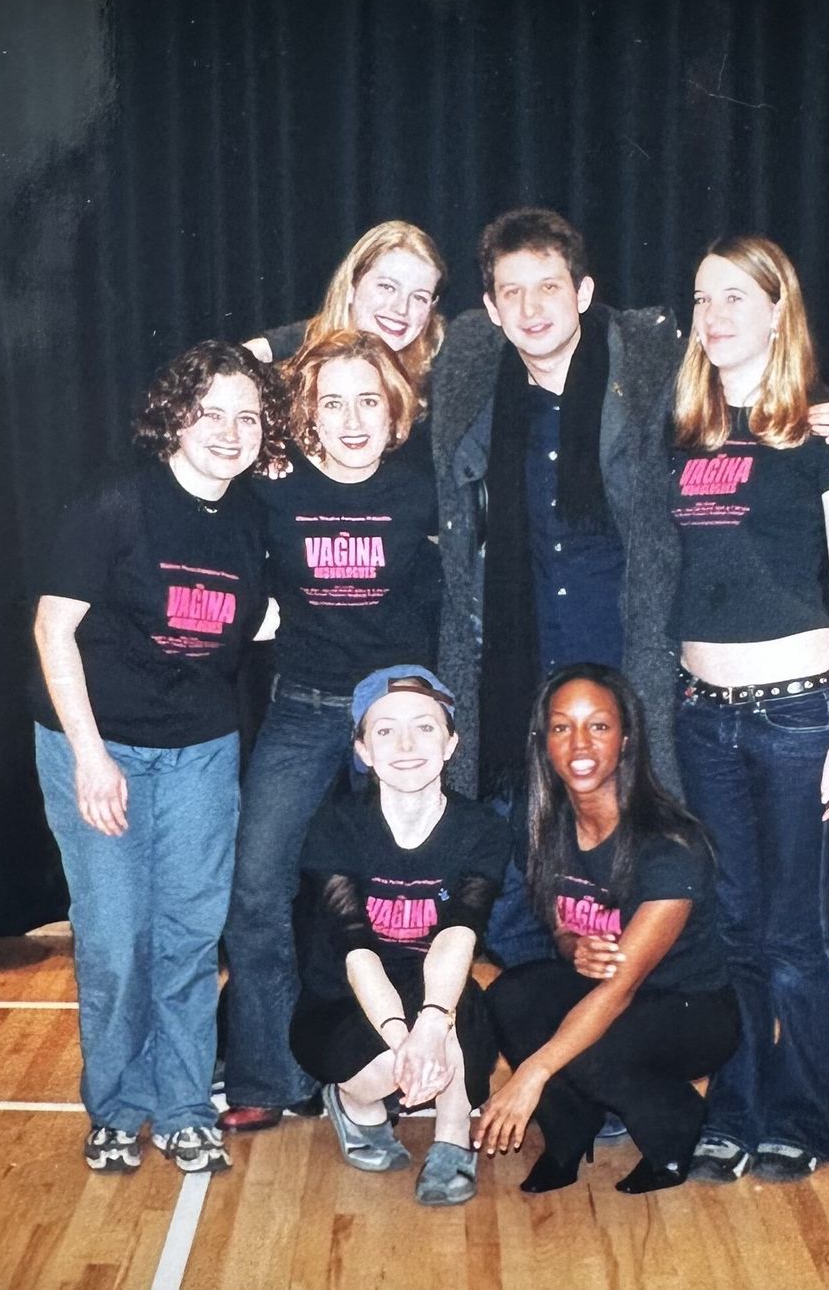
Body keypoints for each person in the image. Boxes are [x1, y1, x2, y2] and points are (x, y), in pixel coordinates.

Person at [432, 207, 829, 973]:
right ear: (490, 308)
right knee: (523, 900)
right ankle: (556, 1041)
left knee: (683, 891)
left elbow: (776, 418)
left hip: (642, 674)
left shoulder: (649, 367)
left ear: (584, 292)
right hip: (519, 672)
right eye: (512, 292)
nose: (532, 308)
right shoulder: (470, 371)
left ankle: (650, 1050)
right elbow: (354, 327)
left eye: (549, 286)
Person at [32, 341, 289, 1174]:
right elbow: (52, 628)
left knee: (187, 936)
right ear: (175, 417)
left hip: (200, 753)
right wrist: (89, 756)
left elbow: (256, 618)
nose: (228, 430)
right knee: (115, 939)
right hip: (96, 743)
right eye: (209, 411)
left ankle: (181, 1107)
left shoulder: (253, 520)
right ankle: (116, 1107)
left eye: (247, 416)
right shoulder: (117, 504)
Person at [668, 236, 829, 1185]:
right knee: (737, 927)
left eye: (736, 298)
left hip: (799, 716)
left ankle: (804, 1115)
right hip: (704, 717)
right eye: (704, 298)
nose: (714, 316)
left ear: (777, 309)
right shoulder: (685, 432)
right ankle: (738, 1104)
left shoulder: (821, 433)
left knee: (796, 934)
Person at [219, 331, 440, 1132]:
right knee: (256, 891)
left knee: (400, 899)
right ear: (305, 415)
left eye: (368, 400)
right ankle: (266, 1076)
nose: (352, 420)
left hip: (400, 717)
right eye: (331, 402)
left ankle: (405, 1066)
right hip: (306, 708)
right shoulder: (274, 487)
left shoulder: (427, 488)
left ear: (396, 410)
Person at [476, 665, 739, 1194]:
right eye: (561, 727)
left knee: (587, 1045)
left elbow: (620, 991)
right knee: (510, 995)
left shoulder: (670, 847)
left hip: (691, 1009)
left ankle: (675, 1125)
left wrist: (530, 1075)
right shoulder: (540, 821)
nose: (579, 743)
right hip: (616, 996)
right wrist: (575, 947)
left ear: (626, 739)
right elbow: (562, 925)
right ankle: (569, 1131)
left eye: (598, 726)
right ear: (542, 741)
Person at [290, 666, 509, 1205]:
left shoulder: (483, 829)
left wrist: (431, 1030)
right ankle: (357, 1107)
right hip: (344, 997)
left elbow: (460, 934)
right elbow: (354, 945)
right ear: (362, 749)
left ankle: (454, 1138)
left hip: (437, 985)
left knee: (450, 1013)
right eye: (385, 730)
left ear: (452, 742)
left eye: (425, 727)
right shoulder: (334, 826)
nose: (407, 744)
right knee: (385, 1069)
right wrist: (405, 1045)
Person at [244, 219, 446, 471]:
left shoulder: (439, 377)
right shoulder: (288, 374)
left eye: (419, 297)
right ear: (351, 286)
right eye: (387, 287)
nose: (401, 309)